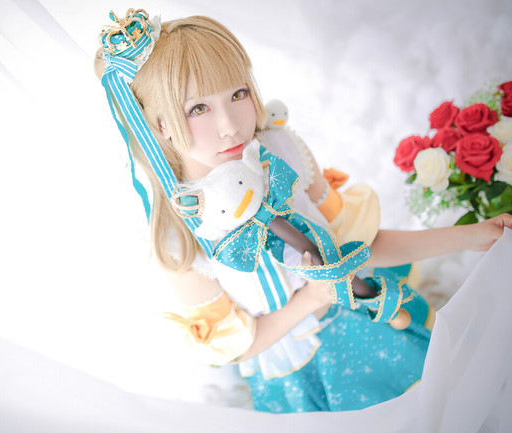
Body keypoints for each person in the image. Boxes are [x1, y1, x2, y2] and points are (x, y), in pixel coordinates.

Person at [94, 10, 512, 413]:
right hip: (302, 372)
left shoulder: (281, 149)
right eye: (198, 108)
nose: (231, 126)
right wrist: (310, 298)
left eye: (238, 94)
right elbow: (236, 347)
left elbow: (361, 245)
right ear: (161, 126)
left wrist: (470, 235)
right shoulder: (178, 238)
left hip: (369, 312)